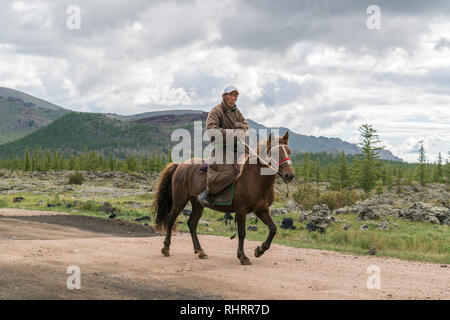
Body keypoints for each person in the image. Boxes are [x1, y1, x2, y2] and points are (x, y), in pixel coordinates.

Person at [197, 85, 249, 207]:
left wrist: (242, 128)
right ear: (223, 96)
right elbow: (212, 131)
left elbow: (245, 124)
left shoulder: (237, 112)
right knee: (233, 171)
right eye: (230, 95)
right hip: (222, 148)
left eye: (235, 96)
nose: (233, 98)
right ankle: (209, 192)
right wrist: (233, 133)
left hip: (238, 148)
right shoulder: (216, 111)